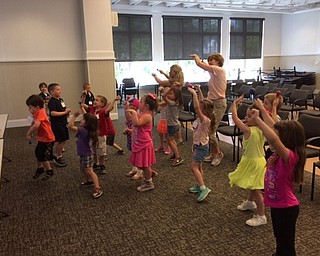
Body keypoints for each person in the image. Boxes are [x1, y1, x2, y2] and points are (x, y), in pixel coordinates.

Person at [252, 100, 306, 256]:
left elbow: (274, 138)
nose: (272, 136)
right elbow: (274, 127)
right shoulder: (278, 154)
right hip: (277, 206)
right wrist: (262, 109)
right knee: (279, 238)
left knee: (287, 245)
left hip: (287, 208)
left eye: (278, 136)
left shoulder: (290, 157)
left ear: (286, 139)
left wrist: (257, 120)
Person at [228, 96, 267, 226]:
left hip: (255, 163)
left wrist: (234, 105)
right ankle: (250, 202)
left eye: (250, 116)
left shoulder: (248, 129)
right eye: (247, 115)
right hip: (256, 161)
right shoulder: (262, 129)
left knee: (256, 189)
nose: (246, 118)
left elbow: (235, 119)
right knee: (252, 184)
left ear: (258, 118)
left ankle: (261, 216)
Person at [190, 53, 227, 166]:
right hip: (212, 102)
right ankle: (213, 153)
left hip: (219, 104)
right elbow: (205, 66)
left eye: (213, 60)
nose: (210, 62)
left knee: (210, 131)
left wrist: (196, 58)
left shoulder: (219, 70)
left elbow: (201, 64)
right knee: (207, 130)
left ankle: (218, 154)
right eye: (209, 60)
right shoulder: (213, 73)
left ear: (218, 62)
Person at [187, 85, 215, 202]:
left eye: (201, 108)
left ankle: (203, 188)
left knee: (194, 167)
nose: (198, 108)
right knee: (199, 167)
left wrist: (194, 94)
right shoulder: (203, 118)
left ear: (204, 110)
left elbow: (197, 107)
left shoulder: (205, 120)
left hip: (201, 147)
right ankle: (200, 184)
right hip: (199, 145)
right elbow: (201, 103)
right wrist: (198, 90)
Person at [82, 95, 123, 174]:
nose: (94, 101)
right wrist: (83, 98)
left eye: (97, 100)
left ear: (102, 104)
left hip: (101, 135)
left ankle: (102, 165)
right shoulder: (91, 109)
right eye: (95, 100)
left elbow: (109, 109)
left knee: (102, 151)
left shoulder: (103, 112)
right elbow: (83, 105)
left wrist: (114, 100)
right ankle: (96, 163)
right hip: (92, 135)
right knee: (93, 150)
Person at [126, 93, 157, 192]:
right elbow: (131, 120)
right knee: (140, 164)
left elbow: (137, 123)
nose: (139, 103)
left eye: (141, 102)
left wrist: (134, 112)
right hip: (139, 142)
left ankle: (149, 183)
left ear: (146, 106)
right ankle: (150, 173)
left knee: (144, 165)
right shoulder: (141, 114)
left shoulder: (147, 116)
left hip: (144, 144)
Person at [68, 111, 103, 199]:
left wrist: (74, 116)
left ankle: (98, 188)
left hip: (87, 154)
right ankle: (90, 180)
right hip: (85, 153)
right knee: (82, 167)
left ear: (87, 123)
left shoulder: (83, 130)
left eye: (83, 119)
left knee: (89, 171)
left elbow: (70, 126)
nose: (82, 120)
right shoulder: (88, 130)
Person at [152, 65, 184, 145]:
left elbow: (160, 82)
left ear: (175, 72)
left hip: (170, 102)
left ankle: (170, 137)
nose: (169, 72)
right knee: (175, 120)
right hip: (175, 102)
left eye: (171, 71)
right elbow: (170, 78)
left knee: (170, 119)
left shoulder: (173, 82)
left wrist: (155, 76)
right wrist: (163, 73)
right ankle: (179, 138)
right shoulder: (178, 80)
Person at [26, 94, 55, 181]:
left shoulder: (41, 112)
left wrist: (28, 133)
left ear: (37, 107)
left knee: (43, 156)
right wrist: (31, 132)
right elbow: (33, 123)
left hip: (48, 139)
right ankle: (40, 168)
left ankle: (49, 171)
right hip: (42, 138)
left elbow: (36, 125)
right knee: (37, 152)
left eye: (30, 107)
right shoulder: (36, 112)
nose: (29, 109)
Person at [160, 84, 184, 166]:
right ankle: (175, 154)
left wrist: (171, 87)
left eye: (171, 93)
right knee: (171, 141)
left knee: (170, 141)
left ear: (176, 96)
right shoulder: (174, 103)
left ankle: (178, 157)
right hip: (174, 124)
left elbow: (163, 96)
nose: (169, 95)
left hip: (172, 125)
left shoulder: (172, 103)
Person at [48, 83, 71, 167]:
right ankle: (58, 156)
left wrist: (66, 113)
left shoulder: (60, 100)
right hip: (57, 124)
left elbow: (62, 110)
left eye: (60, 89)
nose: (60, 91)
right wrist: (65, 112)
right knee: (61, 140)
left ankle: (57, 154)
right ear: (51, 92)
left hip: (63, 122)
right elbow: (53, 113)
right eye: (57, 89)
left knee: (64, 140)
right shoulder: (52, 101)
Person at [123, 97, 144, 180]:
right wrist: (126, 108)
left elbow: (137, 128)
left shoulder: (137, 116)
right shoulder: (132, 116)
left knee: (138, 156)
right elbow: (128, 118)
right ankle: (134, 169)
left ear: (135, 107)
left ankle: (140, 172)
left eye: (130, 106)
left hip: (137, 139)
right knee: (133, 154)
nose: (128, 108)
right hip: (131, 138)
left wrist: (130, 130)